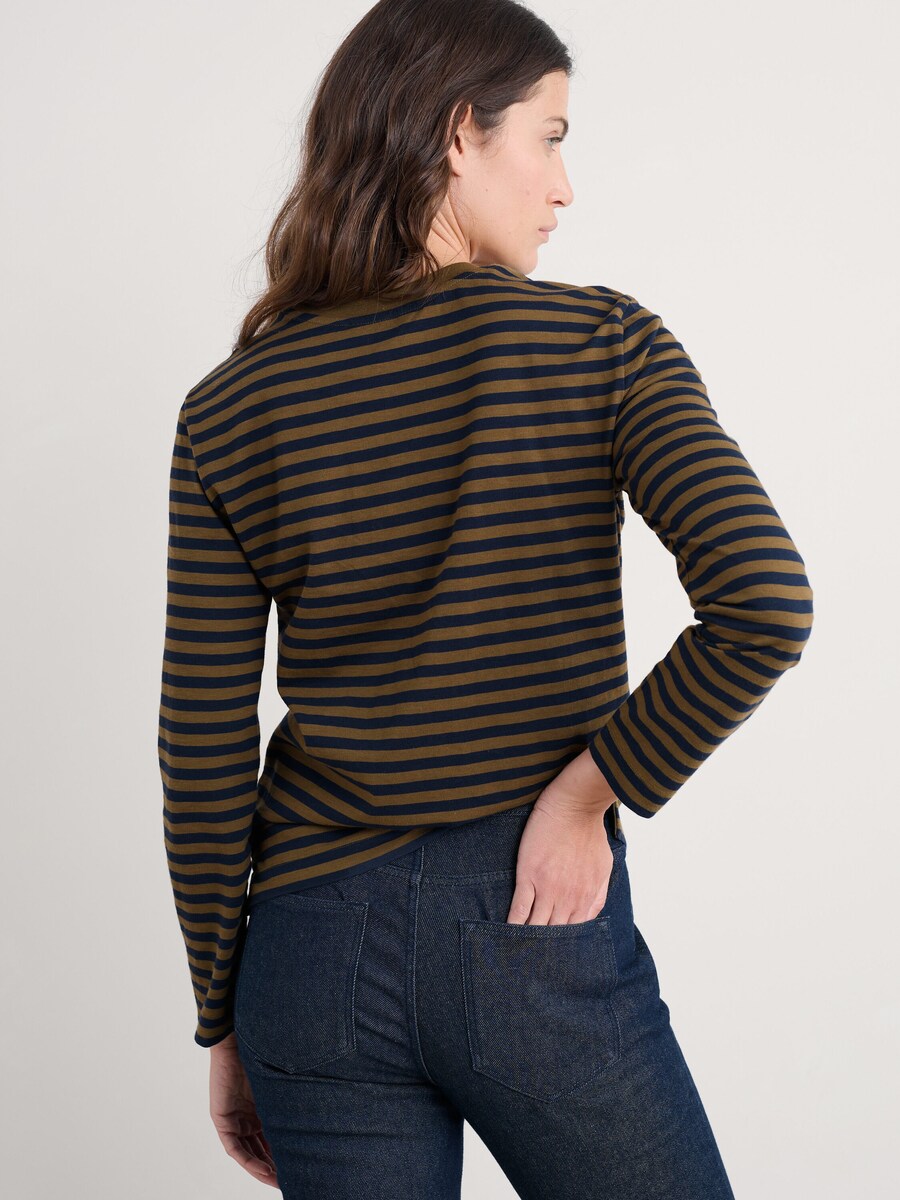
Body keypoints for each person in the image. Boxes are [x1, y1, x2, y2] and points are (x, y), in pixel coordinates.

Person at [157, 1, 814, 1196]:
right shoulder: (601, 344)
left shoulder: (230, 407)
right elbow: (764, 601)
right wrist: (584, 796)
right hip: (529, 920)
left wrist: (224, 1014)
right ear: (461, 133)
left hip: (307, 953)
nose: (565, 187)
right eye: (550, 136)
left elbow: (201, 744)